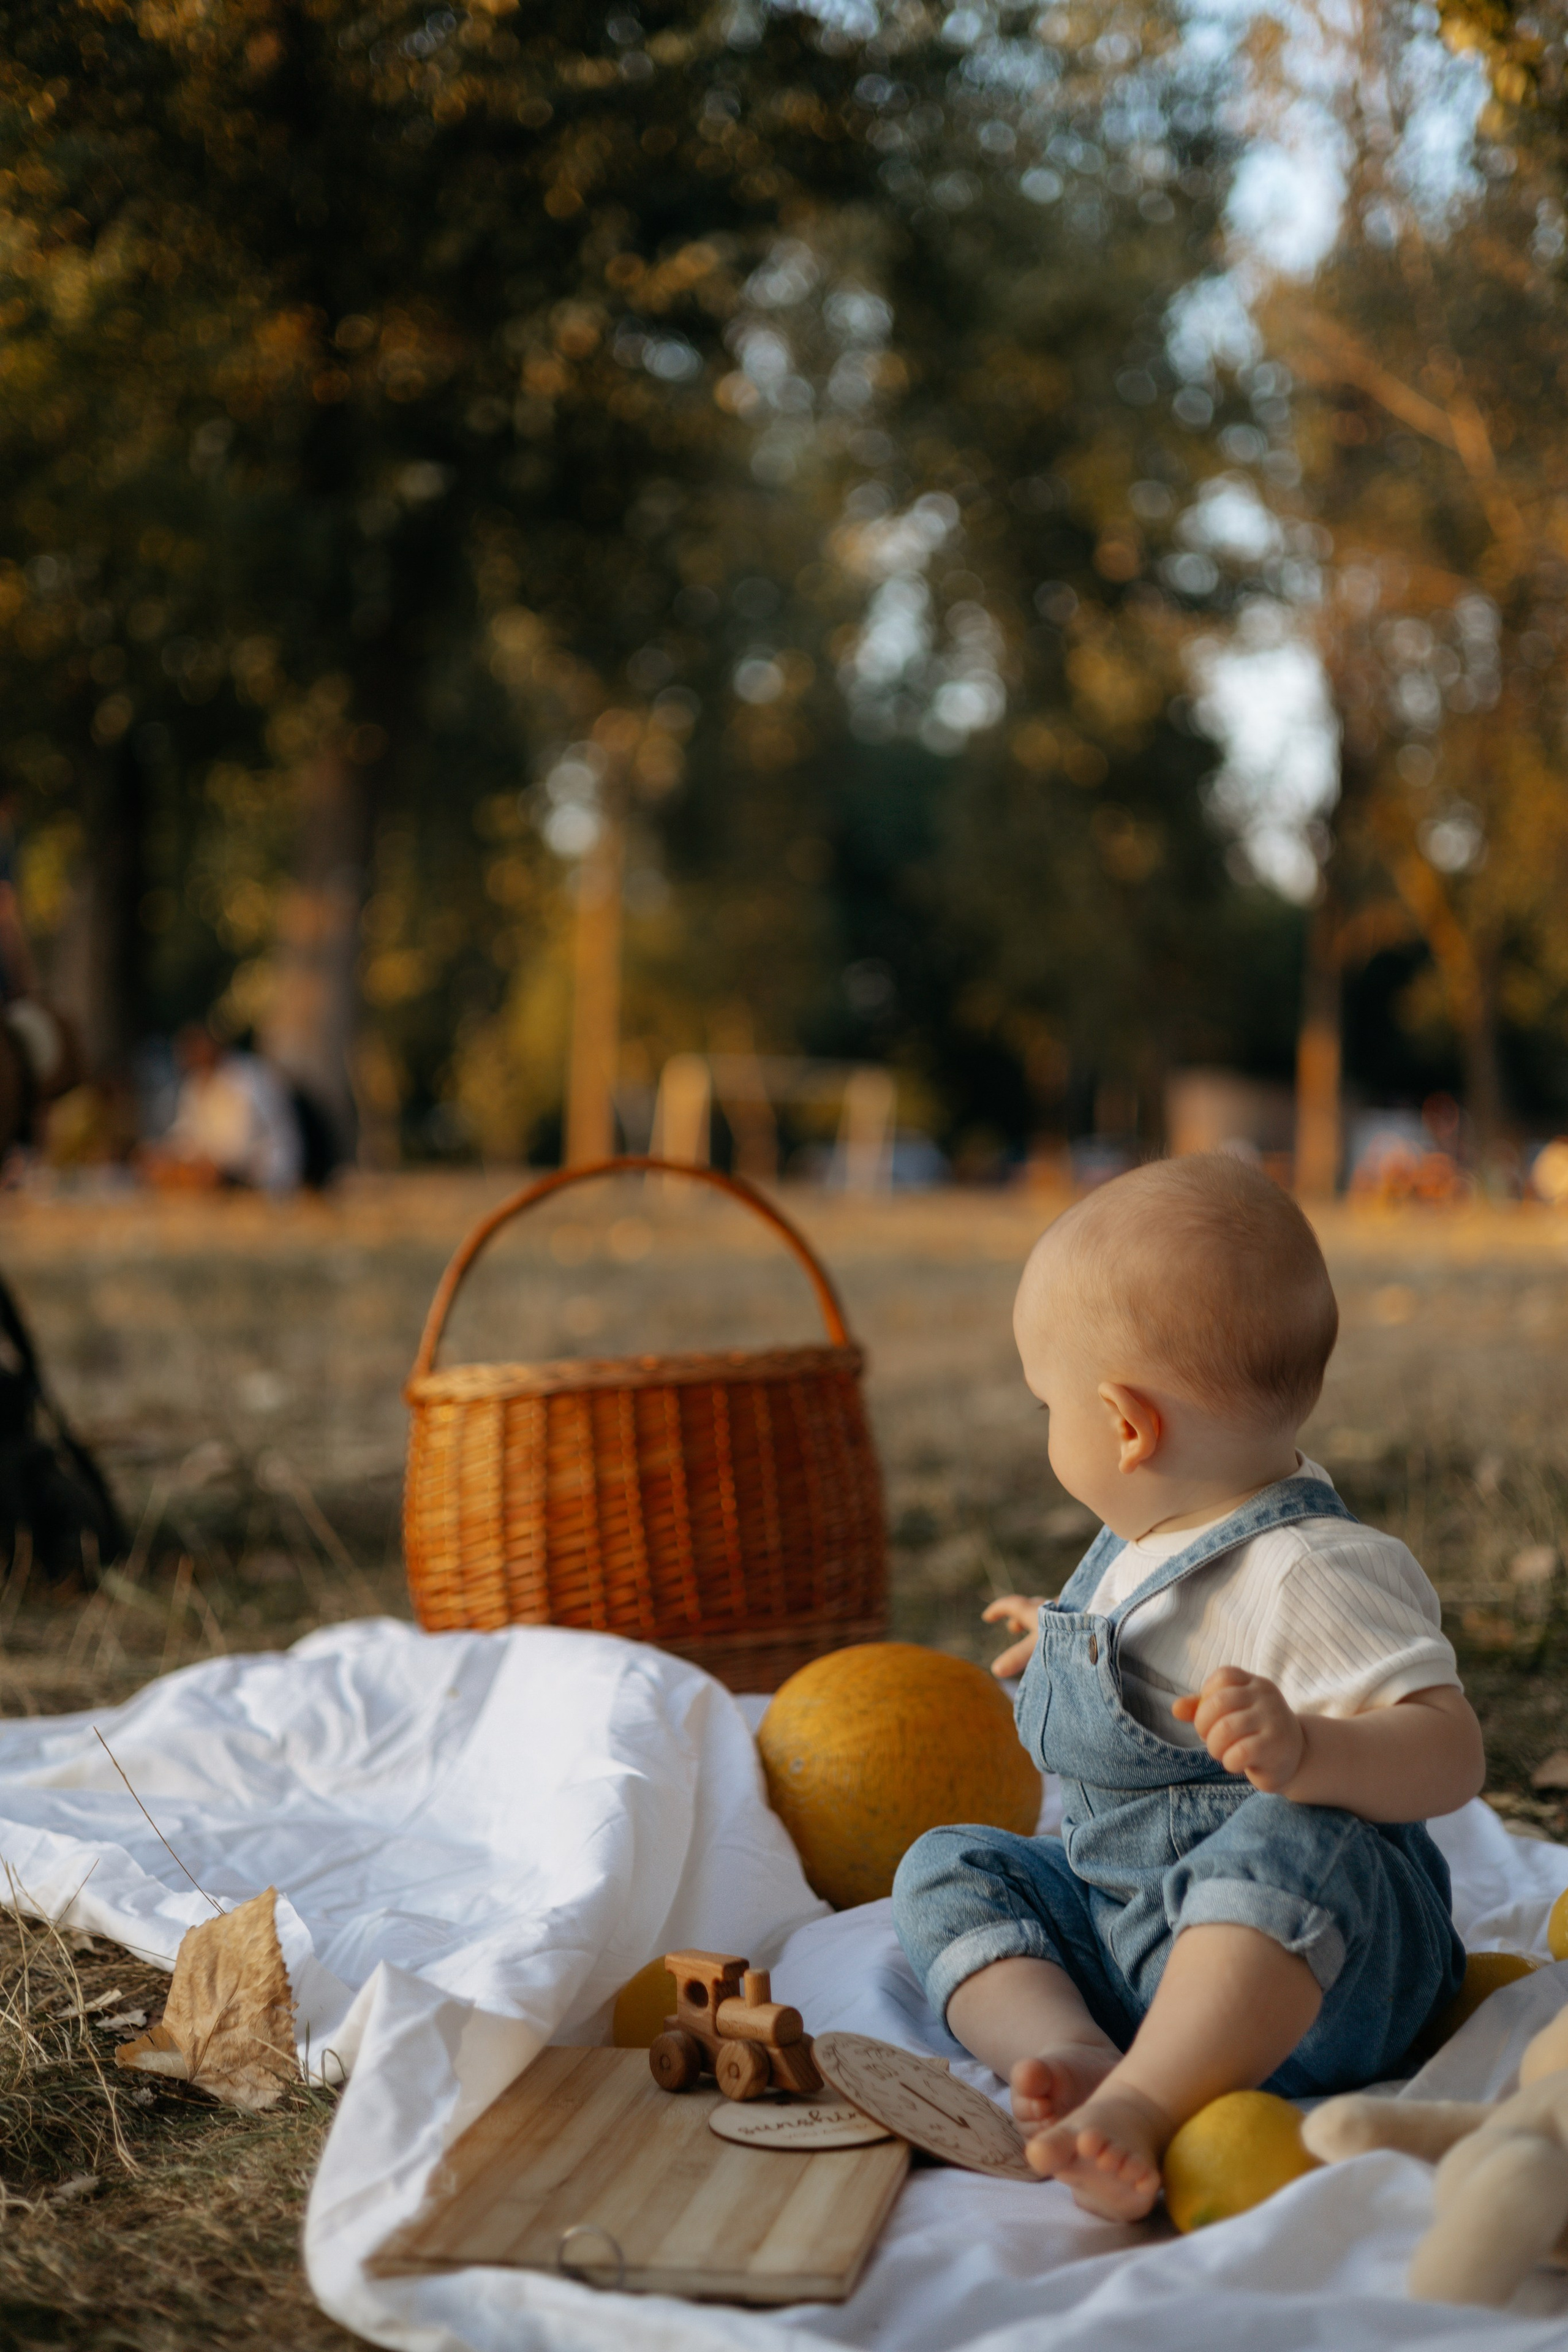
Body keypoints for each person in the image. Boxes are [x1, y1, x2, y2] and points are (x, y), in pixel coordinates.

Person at [891, 1154, 1480, 2222]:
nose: (1043, 1425)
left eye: (1045, 1404)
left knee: (1297, 1837)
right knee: (951, 1863)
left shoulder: (1310, 1570)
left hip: (1314, 1975)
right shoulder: (1145, 1539)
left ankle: (1145, 2103)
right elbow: (1156, 1649)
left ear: (1125, 1425)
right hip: (1142, 1940)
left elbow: (1452, 1752)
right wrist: (1068, 1640)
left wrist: (1313, 1750)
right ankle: (1066, 2046)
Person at [145, 1024, 303, 1194]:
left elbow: (242, 1144)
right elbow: (187, 1131)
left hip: (264, 1170)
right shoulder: (197, 1082)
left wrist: (202, 1161)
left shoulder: (248, 1079)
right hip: (223, 1164)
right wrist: (168, 1154)